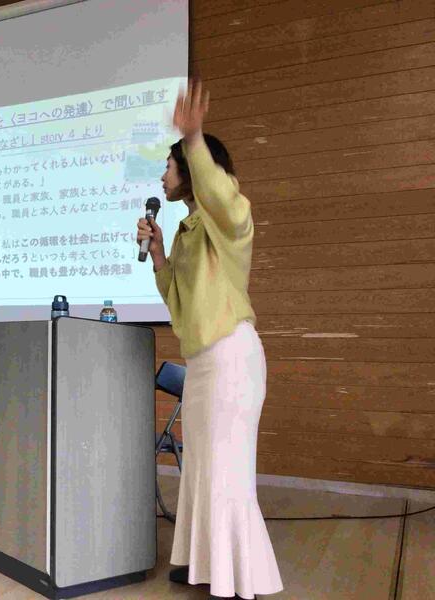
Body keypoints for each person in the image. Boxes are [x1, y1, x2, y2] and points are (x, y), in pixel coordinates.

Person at [137, 79, 283, 599]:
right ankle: (202, 564)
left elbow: (224, 197)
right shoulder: (188, 232)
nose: (163, 175)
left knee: (225, 473)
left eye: (169, 166)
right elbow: (179, 305)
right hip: (202, 364)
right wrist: (159, 254)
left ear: (192, 170)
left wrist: (194, 138)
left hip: (231, 359)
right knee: (200, 470)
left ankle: (239, 581)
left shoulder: (227, 218)